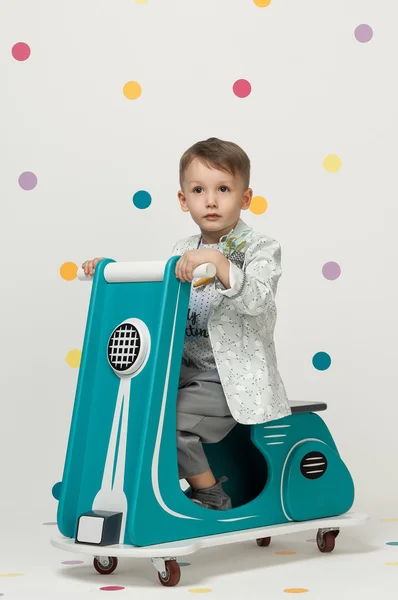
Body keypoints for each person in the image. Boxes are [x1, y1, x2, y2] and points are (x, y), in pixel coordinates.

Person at [82, 137, 291, 511]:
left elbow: (260, 300)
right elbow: (159, 294)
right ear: (183, 200)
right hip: (181, 369)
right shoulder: (183, 250)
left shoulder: (261, 247)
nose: (211, 201)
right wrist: (108, 270)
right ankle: (133, 491)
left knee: (165, 424)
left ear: (245, 198)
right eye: (199, 190)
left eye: (223, 189)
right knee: (131, 410)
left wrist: (223, 265)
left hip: (230, 377)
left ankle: (210, 492)